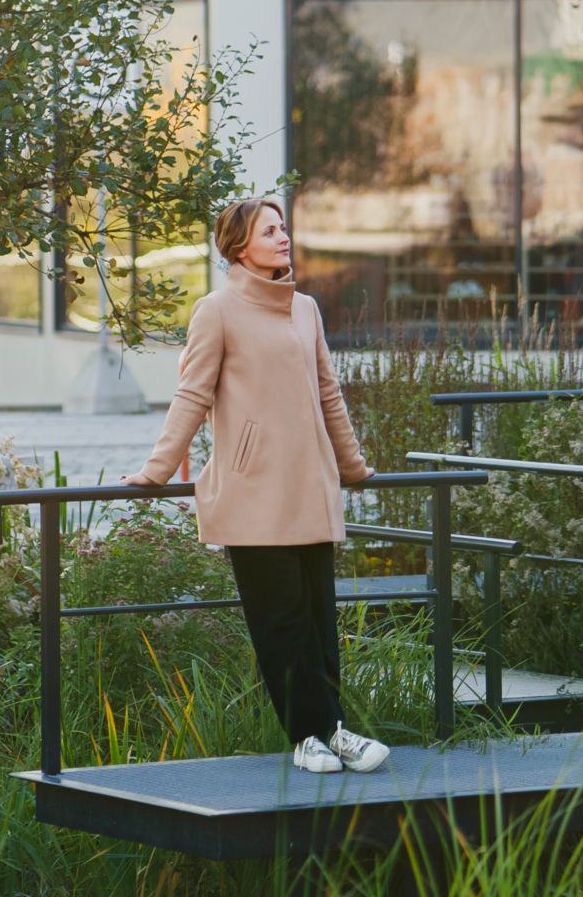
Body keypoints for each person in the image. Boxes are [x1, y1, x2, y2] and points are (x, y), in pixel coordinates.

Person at [119, 196, 391, 776]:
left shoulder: (306, 310)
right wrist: (157, 470)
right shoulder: (215, 311)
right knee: (281, 623)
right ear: (239, 245)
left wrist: (352, 464)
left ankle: (334, 731)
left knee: (319, 622)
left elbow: (328, 392)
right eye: (270, 230)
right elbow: (192, 395)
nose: (283, 236)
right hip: (252, 493)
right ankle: (309, 738)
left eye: (283, 227)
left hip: (310, 489)